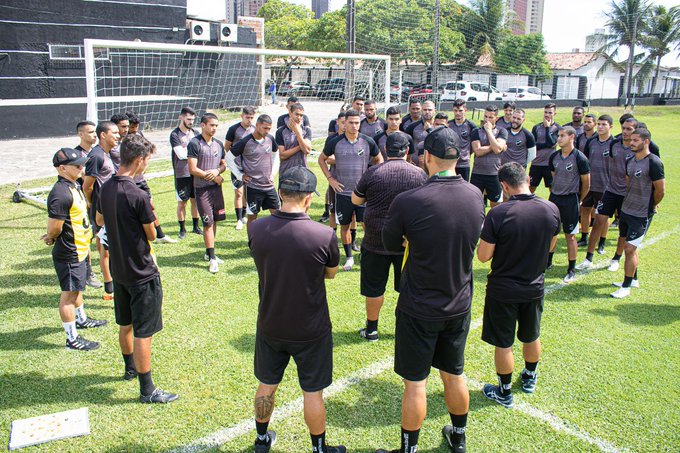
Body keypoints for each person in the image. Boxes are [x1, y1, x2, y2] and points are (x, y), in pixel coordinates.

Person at [377, 126, 484, 453]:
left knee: (416, 384)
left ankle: (408, 449)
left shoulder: (409, 201)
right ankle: (459, 437)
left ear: (426, 157)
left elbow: (390, 243)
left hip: (419, 306)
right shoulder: (475, 194)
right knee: (454, 374)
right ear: (458, 158)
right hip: (458, 302)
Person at [249, 166, 344, 453]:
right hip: (310, 329)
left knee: (267, 385)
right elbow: (330, 273)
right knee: (312, 392)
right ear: (308, 199)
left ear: (280, 194)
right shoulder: (323, 235)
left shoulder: (256, 228)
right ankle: (318, 448)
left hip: (271, 324)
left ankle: (262, 440)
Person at [97, 134, 178, 403]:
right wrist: (151, 214)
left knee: (126, 323)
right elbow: (152, 235)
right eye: (147, 161)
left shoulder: (106, 187)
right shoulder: (137, 194)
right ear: (140, 160)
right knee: (144, 331)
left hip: (119, 270)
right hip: (142, 273)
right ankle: (147, 390)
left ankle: (129, 368)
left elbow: (99, 218)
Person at [477, 162, 560, 408]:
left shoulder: (499, 213)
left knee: (504, 342)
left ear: (504, 186)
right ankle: (530, 377)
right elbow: (551, 246)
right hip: (534, 286)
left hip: (503, 289)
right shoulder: (551, 208)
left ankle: (503, 391)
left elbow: (483, 256)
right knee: (531, 335)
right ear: (527, 178)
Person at [351, 132, 427, 342]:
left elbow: (356, 200)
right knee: (407, 289)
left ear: (386, 149)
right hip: (406, 242)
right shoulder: (420, 174)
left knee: (374, 288)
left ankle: (372, 329)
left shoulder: (373, 173)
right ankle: (404, 330)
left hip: (376, 239)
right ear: (408, 151)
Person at [44, 148, 108, 351]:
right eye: (77, 165)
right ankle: (71, 339)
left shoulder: (73, 185)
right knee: (69, 295)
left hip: (80, 248)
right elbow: (54, 227)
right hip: (69, 252)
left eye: (82, 164)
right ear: (62, 168)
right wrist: (51, 237)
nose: (82, 168)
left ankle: (81, 319)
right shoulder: (60, 193)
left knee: (78, 288)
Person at [319, 109, 383, 271]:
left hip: (362, 193)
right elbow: (322, 159)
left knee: (366, 225)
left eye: (357, 123)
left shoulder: (368, 141)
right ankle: (349, 258)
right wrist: (330, 179)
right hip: (342, 193)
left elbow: (379, 159)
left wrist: (372, 177)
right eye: (351, 123)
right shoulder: (335, 142)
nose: (354, 126)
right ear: (344, 123)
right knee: (345, 226)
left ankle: (367, 254)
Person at [610, 128, 664, 298]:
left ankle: (625, 286)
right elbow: (629, 183)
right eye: (631, 140)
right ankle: (633, 279)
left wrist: (651, 205)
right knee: (628, 245)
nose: (631, 143)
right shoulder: (630, 160)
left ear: (645, 141)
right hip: (627, 209)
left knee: (629, 248)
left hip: (641, 214)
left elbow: (660, 190)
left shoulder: (654, 162)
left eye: (635, 140)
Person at [577, 118, 636, 271]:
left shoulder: (636, 149)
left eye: (629, 129)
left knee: (623, 228)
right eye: (624, 128)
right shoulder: (614, 145)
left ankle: (616, 258)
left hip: (627, 195)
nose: (625, 132)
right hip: (610, 191)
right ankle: (588, 258)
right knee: (597, 222)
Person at [547, 127, 590, 283]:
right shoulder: (554, 157)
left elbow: (586, 183)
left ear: (572, 137)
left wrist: (579, 199)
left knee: (570, 235)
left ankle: (571, 269)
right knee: (552, 232)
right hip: (555, 199)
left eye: (562, 136)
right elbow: (554, 176)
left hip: (571, 200)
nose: (559, 139)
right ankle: (548, 262)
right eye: (558, 136)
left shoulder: (580, 158)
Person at [83, 121, 119, 301]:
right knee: (104, 248)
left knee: (110, 246)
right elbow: (87, 186)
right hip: (100, 210)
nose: (118, 135)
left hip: (109, 206)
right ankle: (109, 288)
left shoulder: (106, 153)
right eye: (114, 132)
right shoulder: (96, 156)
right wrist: (92, 203)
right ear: (103, 135)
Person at [187, 113, 228, 273]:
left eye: (216, 125)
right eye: (211, 125)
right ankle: (212, 259)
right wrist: (212, 177)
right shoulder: (195, 143)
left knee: (215, 220)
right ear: (203, 125)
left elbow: (224, 165)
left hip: (216, 190)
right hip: (202, 189)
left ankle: (209, 252)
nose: (214, 128)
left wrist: (218, 171)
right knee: (207, 223)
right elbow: (192, 168)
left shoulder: (218, 144)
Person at [227, 114, 280, 235]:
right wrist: (239, 175)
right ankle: (252, 242)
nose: (267, 131)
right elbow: (229, 157)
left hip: (269, 186)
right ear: (257, 125)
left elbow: (276, 154)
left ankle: (277, 241)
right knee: (252, 217)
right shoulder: (245, 141)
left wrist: (273, 173)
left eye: (269, 128)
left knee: (277, 214)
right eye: (264, 128)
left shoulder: (270, 139)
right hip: (253, 187)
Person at [577, 115, 613, 249]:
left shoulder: (614, 143)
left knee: (603, 215)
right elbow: (585, 162)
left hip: (605, 186)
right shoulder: (591, 141)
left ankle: (602, 242)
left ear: (610, 127)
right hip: (590, 184)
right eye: (599, 124)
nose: (601, 127)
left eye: (604, 124)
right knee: (585, 209)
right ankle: (584, 237)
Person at [74, 120, 102, 289]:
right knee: (87, 237)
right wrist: (88, 200)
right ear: (81, 134)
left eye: (94, 132)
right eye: (90, 132)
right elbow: (84, 180)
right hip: (86, 202)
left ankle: (105, 268)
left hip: (100, 201)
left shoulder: (100, 152)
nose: (94, 135)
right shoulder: (75, 155)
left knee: (101, 235)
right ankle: (88, 272)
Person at [169, 107, 202, 239]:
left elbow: (201, 150)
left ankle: (196, 226)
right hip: (182, 173)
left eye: (193, 120)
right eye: (188, 119)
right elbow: (181, 154)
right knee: (182, 202)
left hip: (195, 172)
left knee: (195, 200)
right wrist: (193, 153)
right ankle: (182, 229)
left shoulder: (195, 132)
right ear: (181, 118)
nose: (191, 122)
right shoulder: (174, 135)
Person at [470, 105, 508, 208]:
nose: (487, 119)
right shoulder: (476, 131)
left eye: (490, 117)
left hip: (494, 173)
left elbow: (497, 149)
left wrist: (489, 131)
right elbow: (478, 151)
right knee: (475, 203)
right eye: (485, 116)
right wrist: (498, 146)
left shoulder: (502, 131)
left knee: (495, 204)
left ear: (496, 117)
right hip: (477, 173)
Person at [225, 107, 256, 231]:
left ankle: (244, 215)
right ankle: (239, 219)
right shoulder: (233, 129)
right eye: (247, 117)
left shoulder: (255, 130)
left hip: (250, 167)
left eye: (251, 118)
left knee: (247, 193)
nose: (249, 120)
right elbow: (227, 147)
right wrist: (233, 162)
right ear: (241, 116)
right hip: (237, 167)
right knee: (238, 192)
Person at [276, 103, 313, 179]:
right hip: (286, 172)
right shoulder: (281, 132)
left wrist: (298, 133)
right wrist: (300, 146)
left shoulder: (306, 130)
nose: (299, 117)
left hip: (303, 172)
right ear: (290, 113)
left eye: (301, 115)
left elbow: (307, 150)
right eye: (297, 114)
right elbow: (282, 155)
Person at [529, 103, 560, 193]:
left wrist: (547, 128)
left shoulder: (558, 128)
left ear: (555, 114)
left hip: (549, 165)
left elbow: (551, 143)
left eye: (550, 112)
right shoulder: (536, 127)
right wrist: (546, 145)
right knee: (530, 188)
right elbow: (533, 145)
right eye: (545, 112)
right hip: (536, 163)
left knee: (552, 189)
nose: (547, 114)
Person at [448, 99, 476, 181]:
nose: (457, 113)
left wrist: (466, 155)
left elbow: (473, 144)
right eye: (455, 110)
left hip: (464, 164)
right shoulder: (448, 125)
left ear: (465, 110)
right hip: (450, 164)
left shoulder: (471, 126)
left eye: (460, 110)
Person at [404, 100, 436, 166]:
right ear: (421, 110)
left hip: (434, 165)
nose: (427, 112)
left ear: (434, 111)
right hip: (416, 165)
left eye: (430, 110)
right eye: (425, 110)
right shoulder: (412, 127)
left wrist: (430, 130)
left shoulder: (439, 126)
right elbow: (405, 145)